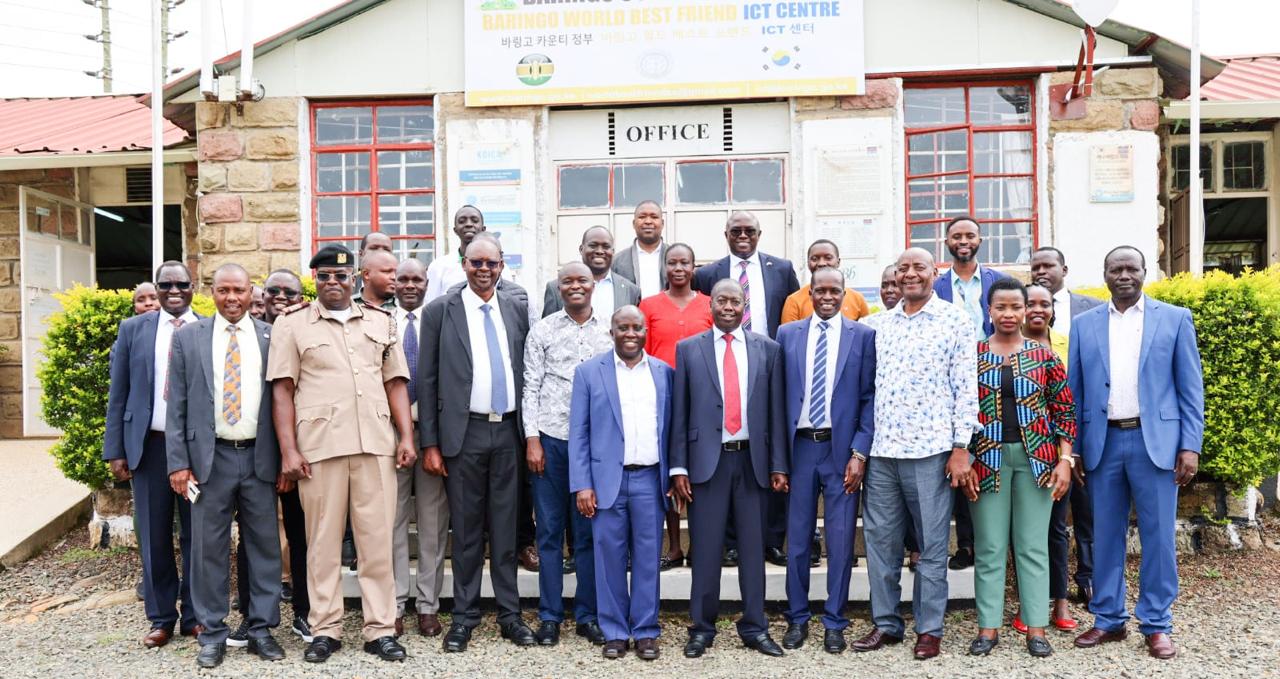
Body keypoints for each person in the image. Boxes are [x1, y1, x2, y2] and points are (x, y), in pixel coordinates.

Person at [269, 244, 417, 664]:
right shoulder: (292, 325)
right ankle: (325, 629)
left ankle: (380, 629)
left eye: (341, 276)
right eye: (324, 276)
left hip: (374, 445)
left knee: (377, 542)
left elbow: (396, 384)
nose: (333, 282)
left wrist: (406, 436)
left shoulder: (380, 321)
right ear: (314, 280)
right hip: (320, 449)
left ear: (354, 278)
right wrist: (288, 450)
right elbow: (282, 390)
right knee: (322, 543)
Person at [1069, 246, 1203, 661]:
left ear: (1145, 272)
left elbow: (1190, 389)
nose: (1124, 275)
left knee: (1159, 537)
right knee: (1105, 534)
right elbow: (1074, 392)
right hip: (1103, 444)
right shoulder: (1083, 324)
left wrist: (1190, 445)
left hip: (1156, 444)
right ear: (1105, 274)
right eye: (1115, 269)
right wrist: (1072, 451)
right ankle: (1108, 618)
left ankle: (1157, 623)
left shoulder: (1175, 319)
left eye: (1131, 268)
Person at [853, 248, 977, 661]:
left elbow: (966, 390)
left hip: (932, 453)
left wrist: (961, 448)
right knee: (881, 544)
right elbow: (864, 394)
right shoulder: (875, 326)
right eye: (902, 268)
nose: (909, 274)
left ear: (934, 273)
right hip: (883, 453)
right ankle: (886, 623)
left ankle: (929, 628)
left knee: (931, 546)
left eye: (918, 267)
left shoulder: (956, 321)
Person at [418, 237, 536, 652]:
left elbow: (527, 368)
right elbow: (427, 380)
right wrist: (429, 442)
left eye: (491, 262)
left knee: (506, 528)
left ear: (502, 266)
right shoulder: (439, 312)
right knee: (466, 531)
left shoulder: (516, 308)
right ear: (463, 264)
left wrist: (530, 433)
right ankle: (465, 617)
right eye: (476, 262)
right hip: (462, 434)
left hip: (507, 431)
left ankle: (509, 614)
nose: (484, 269)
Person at [165, 264, 285, 668]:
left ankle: (261, 630)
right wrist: (178, 464)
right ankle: (212, 633)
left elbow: (287, 400)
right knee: (207, 550)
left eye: (239, 290)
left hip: (259, 458)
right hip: (208, 461)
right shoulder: (188, 339)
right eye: (223, 290)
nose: (232, 298)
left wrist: (287, 457)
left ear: (253, 292)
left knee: (264, 546)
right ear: (209, 292)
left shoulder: (272, 337)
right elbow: (177, 406)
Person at [670, 278, 789, 659]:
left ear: (744, 305)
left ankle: (755, 627)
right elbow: (680, 413)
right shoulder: (688, 350)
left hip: (752, 461)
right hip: (708, 464)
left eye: (734, 301)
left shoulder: (768, 350)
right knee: (705, 550)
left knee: (753, 551)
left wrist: (778, 465)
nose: (727, 307)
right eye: (720, 300)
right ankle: (702, 628)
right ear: (711, 305)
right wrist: (678, 467)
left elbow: (776, 411)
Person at [964, 277, 1076, 659]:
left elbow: (1064, 411)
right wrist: (963, 456)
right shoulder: (973, 354)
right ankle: (988, 629)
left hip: (1038, 462)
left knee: (1032, 547)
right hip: (986, 461)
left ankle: (1036, 629)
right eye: (1001, 307)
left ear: (1027, 309)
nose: (1009, 314)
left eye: (1016, 307)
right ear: (989, 311)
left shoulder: (1044, 356)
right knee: (990, 547)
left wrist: (1065, 459)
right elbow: (960, 410)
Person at [776, 267, 876, 654]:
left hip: (841, 451)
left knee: (839, 542)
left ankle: (835, 620)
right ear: (810, 292)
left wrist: (859, 453)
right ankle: (798, 618)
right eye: (821, 290)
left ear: (844, 292)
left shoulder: (863, 336)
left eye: (835, 290)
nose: (828, 296)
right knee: (798, 540)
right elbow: (777, 397)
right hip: (800, 448)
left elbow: (868, 397)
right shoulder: (788, 334)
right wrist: (778, 461)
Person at [691, 211, 799, 566]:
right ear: (725, 234)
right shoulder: (708, 274)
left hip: (767, 367)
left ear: (759, 233)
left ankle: (771, 538)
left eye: (748, 230)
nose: (742, 235)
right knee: (728, 459)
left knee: (769, 453)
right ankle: (733, 541)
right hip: (725, 367)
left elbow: (792, 314)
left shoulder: (781, 269)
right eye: (735, 230)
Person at [103, 261, 201, 648]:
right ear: (156, 289)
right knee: (154, 536)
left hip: (194, 450)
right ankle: (161, 618)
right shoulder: (134, 330)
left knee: (198, 536)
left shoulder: (206, 328)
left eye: (181, 284)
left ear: (194, 287)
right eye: (166, 285)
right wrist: (116, 449)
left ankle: (195, 615)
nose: (173, 291)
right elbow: (119, 392)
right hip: (148, 446)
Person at [569, 306, 672, 660]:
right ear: (611, 332)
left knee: (647, 560)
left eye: (637, 327)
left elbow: (670, 431)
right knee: (608, 558)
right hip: (606, 481)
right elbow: (578, 433)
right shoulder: (588, 373)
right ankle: (613, 630)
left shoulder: (663, 373)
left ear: (646, 332)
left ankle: (645, 631)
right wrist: (583, 484)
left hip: (649, 479)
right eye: (622, 327)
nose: (630, 333)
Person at [522, 262, 612, 646]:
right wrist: (532, 439)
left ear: (594, 286)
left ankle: (587, 615)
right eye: (567, 281)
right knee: (549, 533)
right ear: (558, 288)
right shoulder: (542, 330)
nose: (575, 286)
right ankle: (550, 616)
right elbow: (530, 385)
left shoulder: (609, 331)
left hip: (592, 447)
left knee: (588, 534)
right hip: (551, 441)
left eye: (582, 281)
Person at [931, 216, 1009, 571]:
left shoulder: (998, 282)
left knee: (986, 456)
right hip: (947, 383)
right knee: (958, 455)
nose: (963, 241)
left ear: (981, 240)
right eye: (956, 236)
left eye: (970, 235)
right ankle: (965, 544)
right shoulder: (935, 286)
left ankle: (990, 541)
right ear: (946, 241)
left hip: (991, 379)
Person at [1031, 246, 1103, 611]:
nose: (1042, 271)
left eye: (1049, 265)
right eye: (1036, 266)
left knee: (1088, 510)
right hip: (1043, 442)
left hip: (1086, 431)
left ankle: (1089, 579)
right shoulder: (1020, 326)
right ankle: (1046, 590)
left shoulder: (1091, 308)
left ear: (1065, 268)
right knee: (1052, 521)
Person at [637, 242, 711, 570]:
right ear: (664, 268)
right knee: (669, 470)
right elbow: (643, 351)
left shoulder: (710, 305)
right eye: (672, 263)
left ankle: (699, 544)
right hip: (661, 397)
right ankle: (675, 546)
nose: (678, 268)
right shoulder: (648, 305)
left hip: (703, 399)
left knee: (698, 470)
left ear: (694, 268)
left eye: (685, 263)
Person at [390, 257, 450, 638]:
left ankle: (428, 604)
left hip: (432, 434)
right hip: (389, 435)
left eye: (418, 279)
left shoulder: (439, 321)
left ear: (428, 283)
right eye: (404, 279)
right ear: (393, 283)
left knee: (432, 523)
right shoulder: (378, 320)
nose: (411, 285)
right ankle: (394, 602)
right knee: (391, 522)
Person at [253, 269, 312, 644]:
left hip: (300, 452)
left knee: (302, 538)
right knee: (255, 540)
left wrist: (290, 455)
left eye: (288, 291)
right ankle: (255, 616)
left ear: (300, 296)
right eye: (272, 290)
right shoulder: (250, 336)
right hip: (255, 456)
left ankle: (305, 613)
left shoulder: (309, 332)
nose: (279, 296)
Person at [543, 226, 640, 319]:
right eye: (593, 246)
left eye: (606, 246)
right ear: (581, 249)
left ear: (613, 251)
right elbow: (546, 329)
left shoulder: (631, 290)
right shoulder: (556, 288)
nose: (600, 251)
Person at [426, 205, 513, 304]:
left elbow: (508, 302)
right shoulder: (439, 266)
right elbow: (431, 304)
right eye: (462, 221)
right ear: (455, 230)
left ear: (483, 228)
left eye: (474, 220)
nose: (468, 224)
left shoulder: (499, 267)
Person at [779, 240, 871, 324]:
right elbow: (790, 338)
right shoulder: (794, 301)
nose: (821, 263)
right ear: (808, 263)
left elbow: (865, 335)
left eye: (828, 258)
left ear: (838, 262)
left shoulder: (857, 299)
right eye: (815, 259)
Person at [612, 200, 668, 298]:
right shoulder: (618, 261)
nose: (648, 221)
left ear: (662, 223)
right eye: (642, 217)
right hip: (631, 312)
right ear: (634, 224)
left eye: (654, 217)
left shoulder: (674, 257)